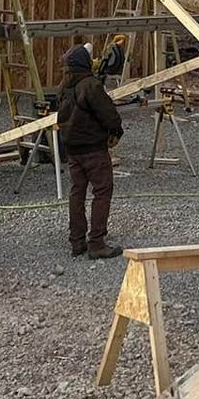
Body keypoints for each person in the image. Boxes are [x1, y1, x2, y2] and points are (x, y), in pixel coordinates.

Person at [56, 43, 124, 258]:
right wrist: (116, 131)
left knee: (77, 193)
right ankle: (97, 243)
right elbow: (108, 113)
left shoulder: (63, 87)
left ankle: (77, 241)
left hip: (73, 149)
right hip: (93, 149)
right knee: (102, 191)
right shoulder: (90, 86)